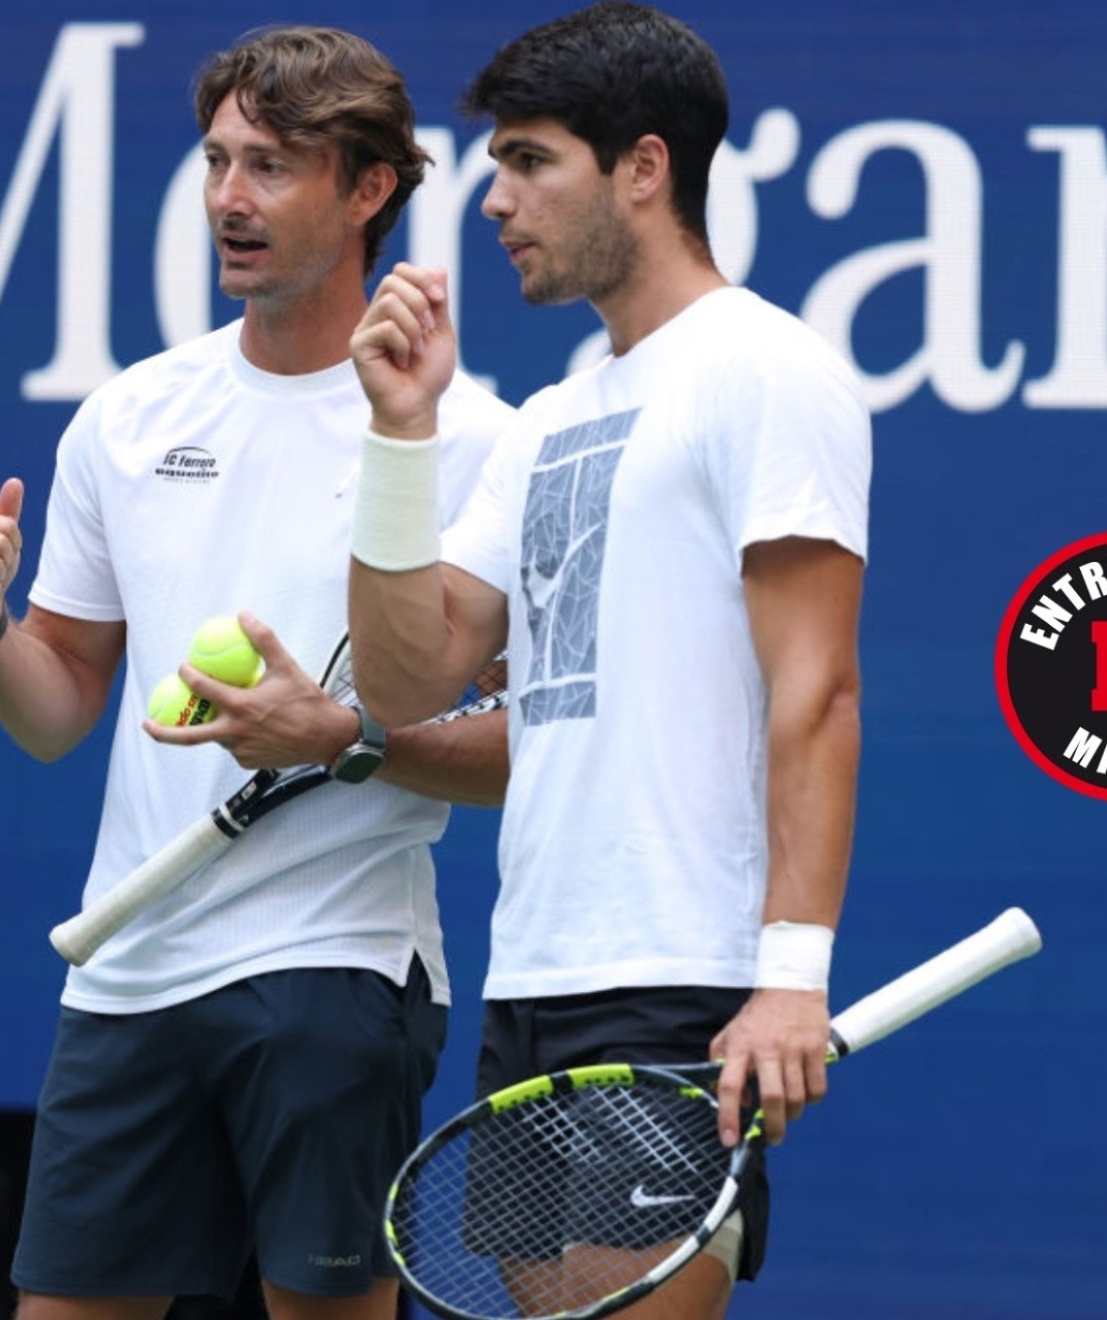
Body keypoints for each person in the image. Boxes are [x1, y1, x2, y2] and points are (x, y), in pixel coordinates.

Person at [0, 26, 514, 1320]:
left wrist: (346, 736)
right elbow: (57, 710)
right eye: (217, 160)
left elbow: (535, 745)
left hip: (338, 966)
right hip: (128, 972)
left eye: (272, 167)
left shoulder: (476, 443)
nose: (229, 199)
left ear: (369, 189)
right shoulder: (130, 417)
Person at [345, 4, 870, 1315]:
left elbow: (818, 689)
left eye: (529, 161)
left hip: (682, 983)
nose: (493, 199)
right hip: (535, 980)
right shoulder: (549, 421)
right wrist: (400, 443)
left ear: (643, 168)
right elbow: (411, 676)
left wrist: (788, 980)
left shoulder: (767, 369)